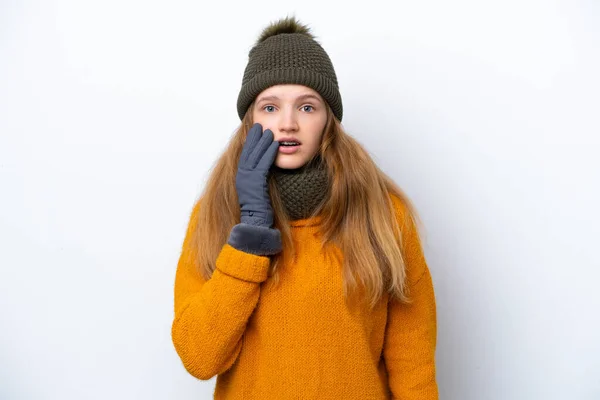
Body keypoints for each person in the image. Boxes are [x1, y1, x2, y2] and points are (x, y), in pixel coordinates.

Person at [171, 16, 438, 399]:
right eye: (270, 107)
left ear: (329, 119)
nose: (288, 124)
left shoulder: (383, 216)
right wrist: (250, 235)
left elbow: (414, 364)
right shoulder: (215, 214)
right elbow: (199, 356)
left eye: (308, 107)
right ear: (249, 121)